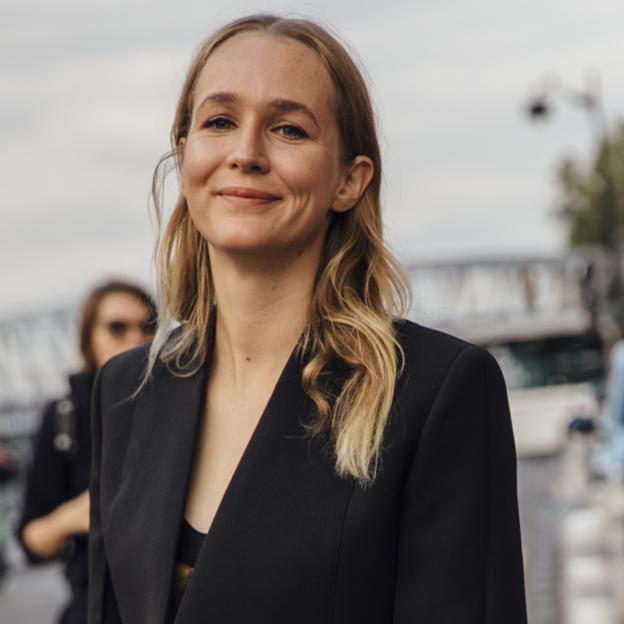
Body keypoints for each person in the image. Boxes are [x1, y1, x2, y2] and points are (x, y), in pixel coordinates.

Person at [88, 14, 527, 624]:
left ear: (349, 180)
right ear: (184, 156)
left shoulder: (437, 392)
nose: (245, 153)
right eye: (219, 121)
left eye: (288, 129)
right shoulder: (126, 393)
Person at [18, 280, 156, 624]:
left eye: (149, 326)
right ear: (87, 338)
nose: (136, 338)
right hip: (96, 604)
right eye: (117, 327)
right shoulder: (65, 417)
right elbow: (32, 541)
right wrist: (75, 515)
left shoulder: (185, 405)